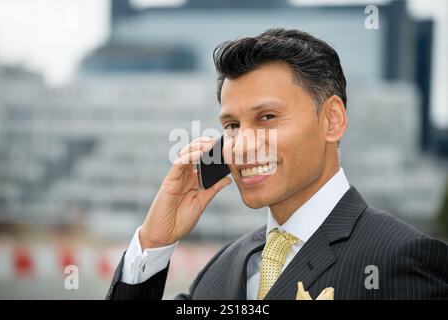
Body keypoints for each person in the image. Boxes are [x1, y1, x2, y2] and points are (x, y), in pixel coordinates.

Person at [106, 28, 448, 300]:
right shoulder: (220, 270)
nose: (242, 145)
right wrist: (154, 242)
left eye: (267, 117)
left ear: (331, 121)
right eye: (232, 126)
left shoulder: (401, 259)